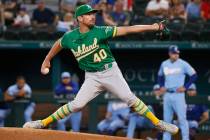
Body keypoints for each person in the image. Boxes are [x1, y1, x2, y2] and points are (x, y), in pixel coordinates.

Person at [23, 4, 178, 135]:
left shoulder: (100, 31)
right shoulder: (70, 37)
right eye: (88, 14)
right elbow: (59, 43)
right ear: (79, 19)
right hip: (92, 77)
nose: (92, 16)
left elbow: (129, 29)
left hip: (110, 72)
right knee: (77, 104)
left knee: (130, 99)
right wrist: (47, 59)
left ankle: (157, 123)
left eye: (93, 14)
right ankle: (42, 123)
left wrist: (153, 26)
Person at [157, 45, 197, 140]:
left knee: (182, 119)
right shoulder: (164, 64)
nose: (176, 55)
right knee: (167, 121)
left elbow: (194, 75)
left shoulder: (183, 64)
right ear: (170, 53)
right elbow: (159, 76)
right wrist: (161, 86)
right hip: (167, 94)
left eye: (177, 53)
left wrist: (185, 87)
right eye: (174, 53)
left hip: (178, 94)